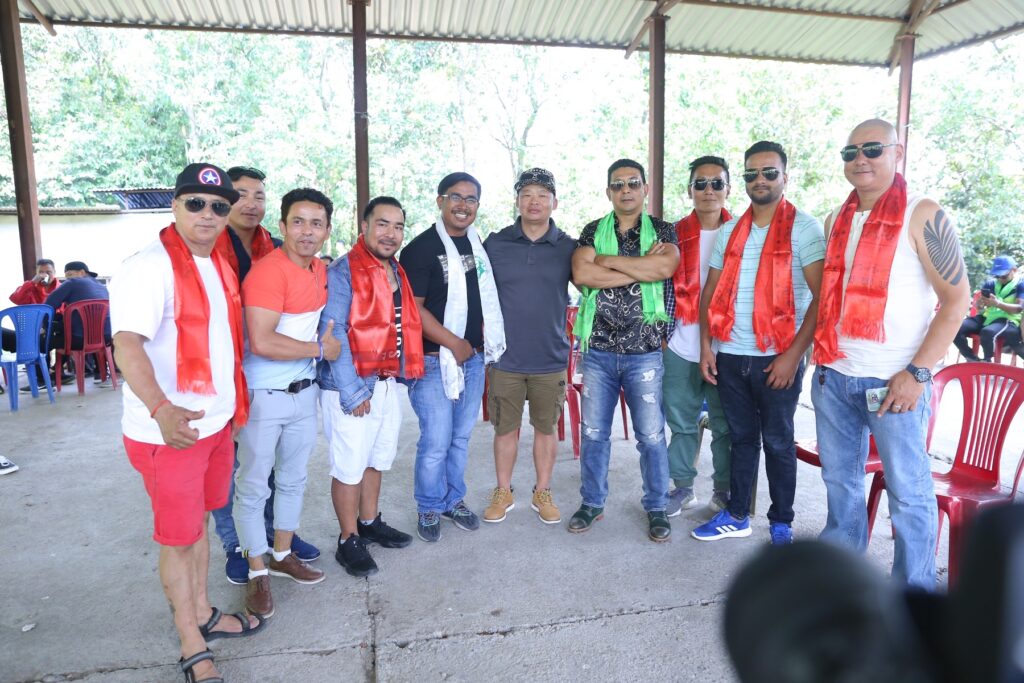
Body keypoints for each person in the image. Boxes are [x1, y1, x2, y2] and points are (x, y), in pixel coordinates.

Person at [111, 162, 263, 683]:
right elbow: (127, 345)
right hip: (169, 432)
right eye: (195, 203)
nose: (207, 214)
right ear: (175, 205)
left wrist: (231, 411)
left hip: (214, 424)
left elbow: (223, 343)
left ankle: (202, 610)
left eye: (219, 206)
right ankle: (190, 640)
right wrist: (161, 408)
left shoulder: (219, 262)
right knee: (178, 537)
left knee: (198, 525)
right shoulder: (148, 267)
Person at [812, 119, 970, 588]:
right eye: (851, 152)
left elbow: (957, 301)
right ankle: (845, 584)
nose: (860, 159)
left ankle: (914, 593)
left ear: (897, 153)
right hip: (834, 375)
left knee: (908, 492)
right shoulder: (836, 219)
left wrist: (918, 373)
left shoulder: (922, 213)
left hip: (894, 382)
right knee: (840, 486)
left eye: (873, 149)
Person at [693, 141, 825, 546]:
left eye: (769, 172)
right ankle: (737, 515)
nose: (760, 180)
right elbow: (710, 293)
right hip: (731, 355)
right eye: (752, 173)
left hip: (777, 357)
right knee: (741, 439)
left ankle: (781, 522)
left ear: (785, 177)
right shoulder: (731, 230)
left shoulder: (805, 228)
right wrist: (706, 347)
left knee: (779, 442)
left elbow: (822, 299)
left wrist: (793, 356)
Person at [209, 166, 320, 587]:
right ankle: (237, 546)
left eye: (259, 195)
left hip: (269, 370)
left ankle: (278, 542)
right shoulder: (208, 247)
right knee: (234, 470)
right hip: (222, 366)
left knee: (279, 472)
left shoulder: (271, 246)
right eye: (241, 194)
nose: (251, 203)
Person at [233, 187, 340, 619]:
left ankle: (281, 554)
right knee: (254, 485)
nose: (307, 231)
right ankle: (257, 570)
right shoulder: (268, 272)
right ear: (282, 226)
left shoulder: (319, 270)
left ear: (327, 230)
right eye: (298, 222)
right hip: (264, 397)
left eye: (316, 223)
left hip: (304, 392)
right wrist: (319, 349)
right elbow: (261, 341)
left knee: (294, 479)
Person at [569, 158, 679, 542]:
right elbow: (582, 274)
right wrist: (640, 266)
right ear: (609, 192)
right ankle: (592, 502)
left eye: (633, 183)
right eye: (618, 184)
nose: (626, 189)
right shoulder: (591, 230)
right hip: (598, 352)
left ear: (645, 189)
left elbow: (664, 269)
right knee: (594, 433)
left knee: (651, 435)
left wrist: (608, 262)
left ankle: (657, 506)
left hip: (644, 351)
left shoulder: (663, 229)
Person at [398, 172, 506, 543]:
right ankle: (428, 505)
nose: (463, 205)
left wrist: (477, 342)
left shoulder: (478, 246)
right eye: (455, 197)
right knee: (436, 441)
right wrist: (453, 342)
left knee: (460, 438)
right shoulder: (421, 248)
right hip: (433, 361)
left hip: (472, 359)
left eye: (471, 199)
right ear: (440, 200)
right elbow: (414, 310)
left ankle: (452, 500)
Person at [318, 196, 422, 576]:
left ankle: (369, 522)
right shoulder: (344, 271)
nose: (390, 233)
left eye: (398, 226)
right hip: (350, 384)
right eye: (382, 224)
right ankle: (348, 540)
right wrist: (352, 390)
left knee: (376, 458)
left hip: (385, 380)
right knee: (349, 466)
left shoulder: (396, 270)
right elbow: (334, 331)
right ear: (364, 227)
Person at [482, 168, 576, 525]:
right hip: (505, 358)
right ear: (517, 201)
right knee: (505, 429)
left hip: (550, 357)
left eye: (542, 195)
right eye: (526, 195)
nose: (534, 202)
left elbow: (592, 282)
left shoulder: (568, 247)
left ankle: (543, 491)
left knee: (546, 428)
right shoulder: (496, 244)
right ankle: (503, 491)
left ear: (555, 202)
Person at [664, 156, 734, 516]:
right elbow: (657, 285)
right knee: (681, 424)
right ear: (689, 189)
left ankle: (723, 490)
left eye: (716, 183)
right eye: (701, 183)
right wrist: (663, 338)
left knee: (725, 425)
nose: (709, 190)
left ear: (728, 189)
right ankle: (682, 488)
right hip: (680, 345)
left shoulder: (742, 232)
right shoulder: (671, 234)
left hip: (728, 347)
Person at [952, 255, 1022, 362]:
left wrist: (998, 303)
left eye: (1003, 276)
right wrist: (980, 303)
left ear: (1014, 270)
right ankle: (971, 358)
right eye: (997, 276)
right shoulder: (990, 284)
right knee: (955, 328)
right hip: (987, 317)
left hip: (1007, 320)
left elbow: (1019, 309)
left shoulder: (1020, 284)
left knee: (987, 332)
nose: (1000, 279)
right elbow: (979, 307)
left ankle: (987, 361)